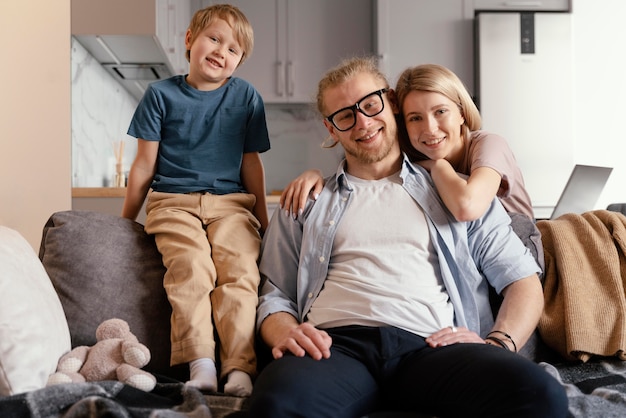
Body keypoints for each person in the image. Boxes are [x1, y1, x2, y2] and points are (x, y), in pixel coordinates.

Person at [247, 56, 567, 417]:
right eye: (345, 116)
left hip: (433, 347)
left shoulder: (454, 193)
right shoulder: (306, 201)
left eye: (370, 105)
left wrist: (500, 342)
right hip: (334, 349)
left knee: (540, 393)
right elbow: (274, 294)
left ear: (392, 102)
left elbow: (521, 280)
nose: (363, 123)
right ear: (330, 129)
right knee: (275, 404)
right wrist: (284, 331)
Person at [121, 4, 270, 397]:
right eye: (214, 38)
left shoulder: (247, 97)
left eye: (234, 49)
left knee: (240, 272)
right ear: (190, 40)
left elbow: (251, 163)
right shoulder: (159, 94)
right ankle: (201, 362)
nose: (222, 51)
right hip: (173, 202)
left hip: (232, 205)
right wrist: (124, 223)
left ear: (239, 61)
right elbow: (142, 166)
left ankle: (239, 366)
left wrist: (263, 220)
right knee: (191, 268)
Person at [280, 63, 533, 222]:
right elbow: (365, 158)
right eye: (415, 118)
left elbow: (467, 207)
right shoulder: (414, 151)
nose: (430, 128)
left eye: (441, 112)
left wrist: (438, 167)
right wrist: (315, 176)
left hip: (517, 242)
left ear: (462, 112)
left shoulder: (489, 145)